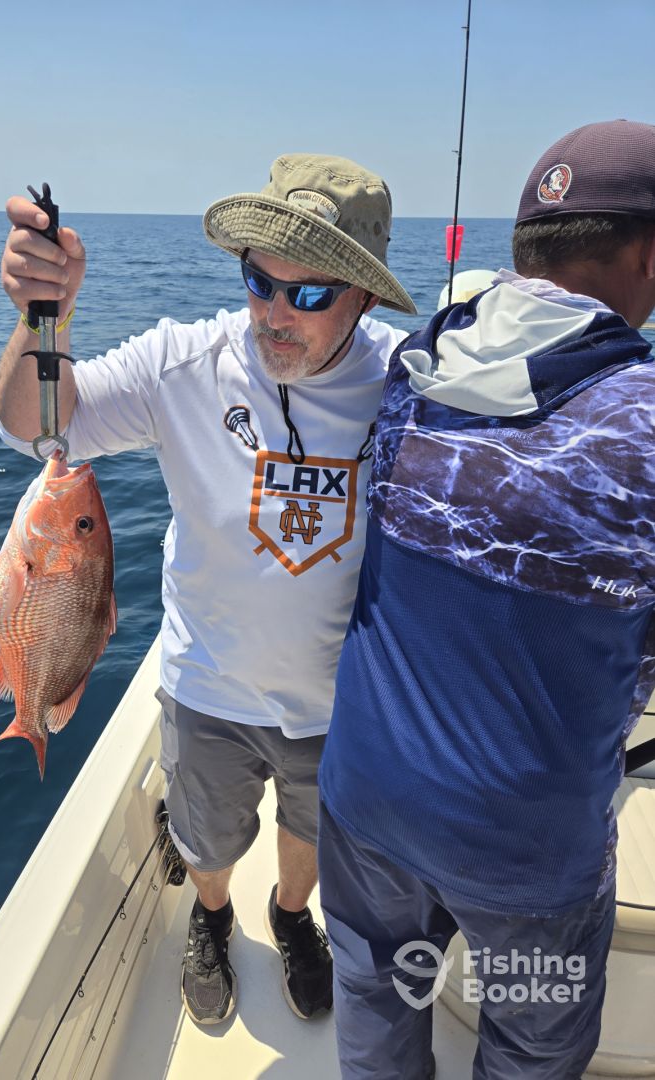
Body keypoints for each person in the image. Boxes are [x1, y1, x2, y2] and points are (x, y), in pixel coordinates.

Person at [0, 154, 416, 1026]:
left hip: (341, 696)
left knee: (310, 830)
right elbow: (37, 426)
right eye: (260, 281)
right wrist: (45, 320)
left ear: (365, 299)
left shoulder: (406, 384)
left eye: (310, 294)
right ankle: (212, 915)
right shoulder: (183, 362)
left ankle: (291, 916)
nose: (275, 314)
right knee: (206, 835)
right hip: (208, 685)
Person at [318, 119, 655, 1079]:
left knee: (377, 1003)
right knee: (527, 1051)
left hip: (364, 797)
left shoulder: (415, 361)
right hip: (526, 858)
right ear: (647, 254)